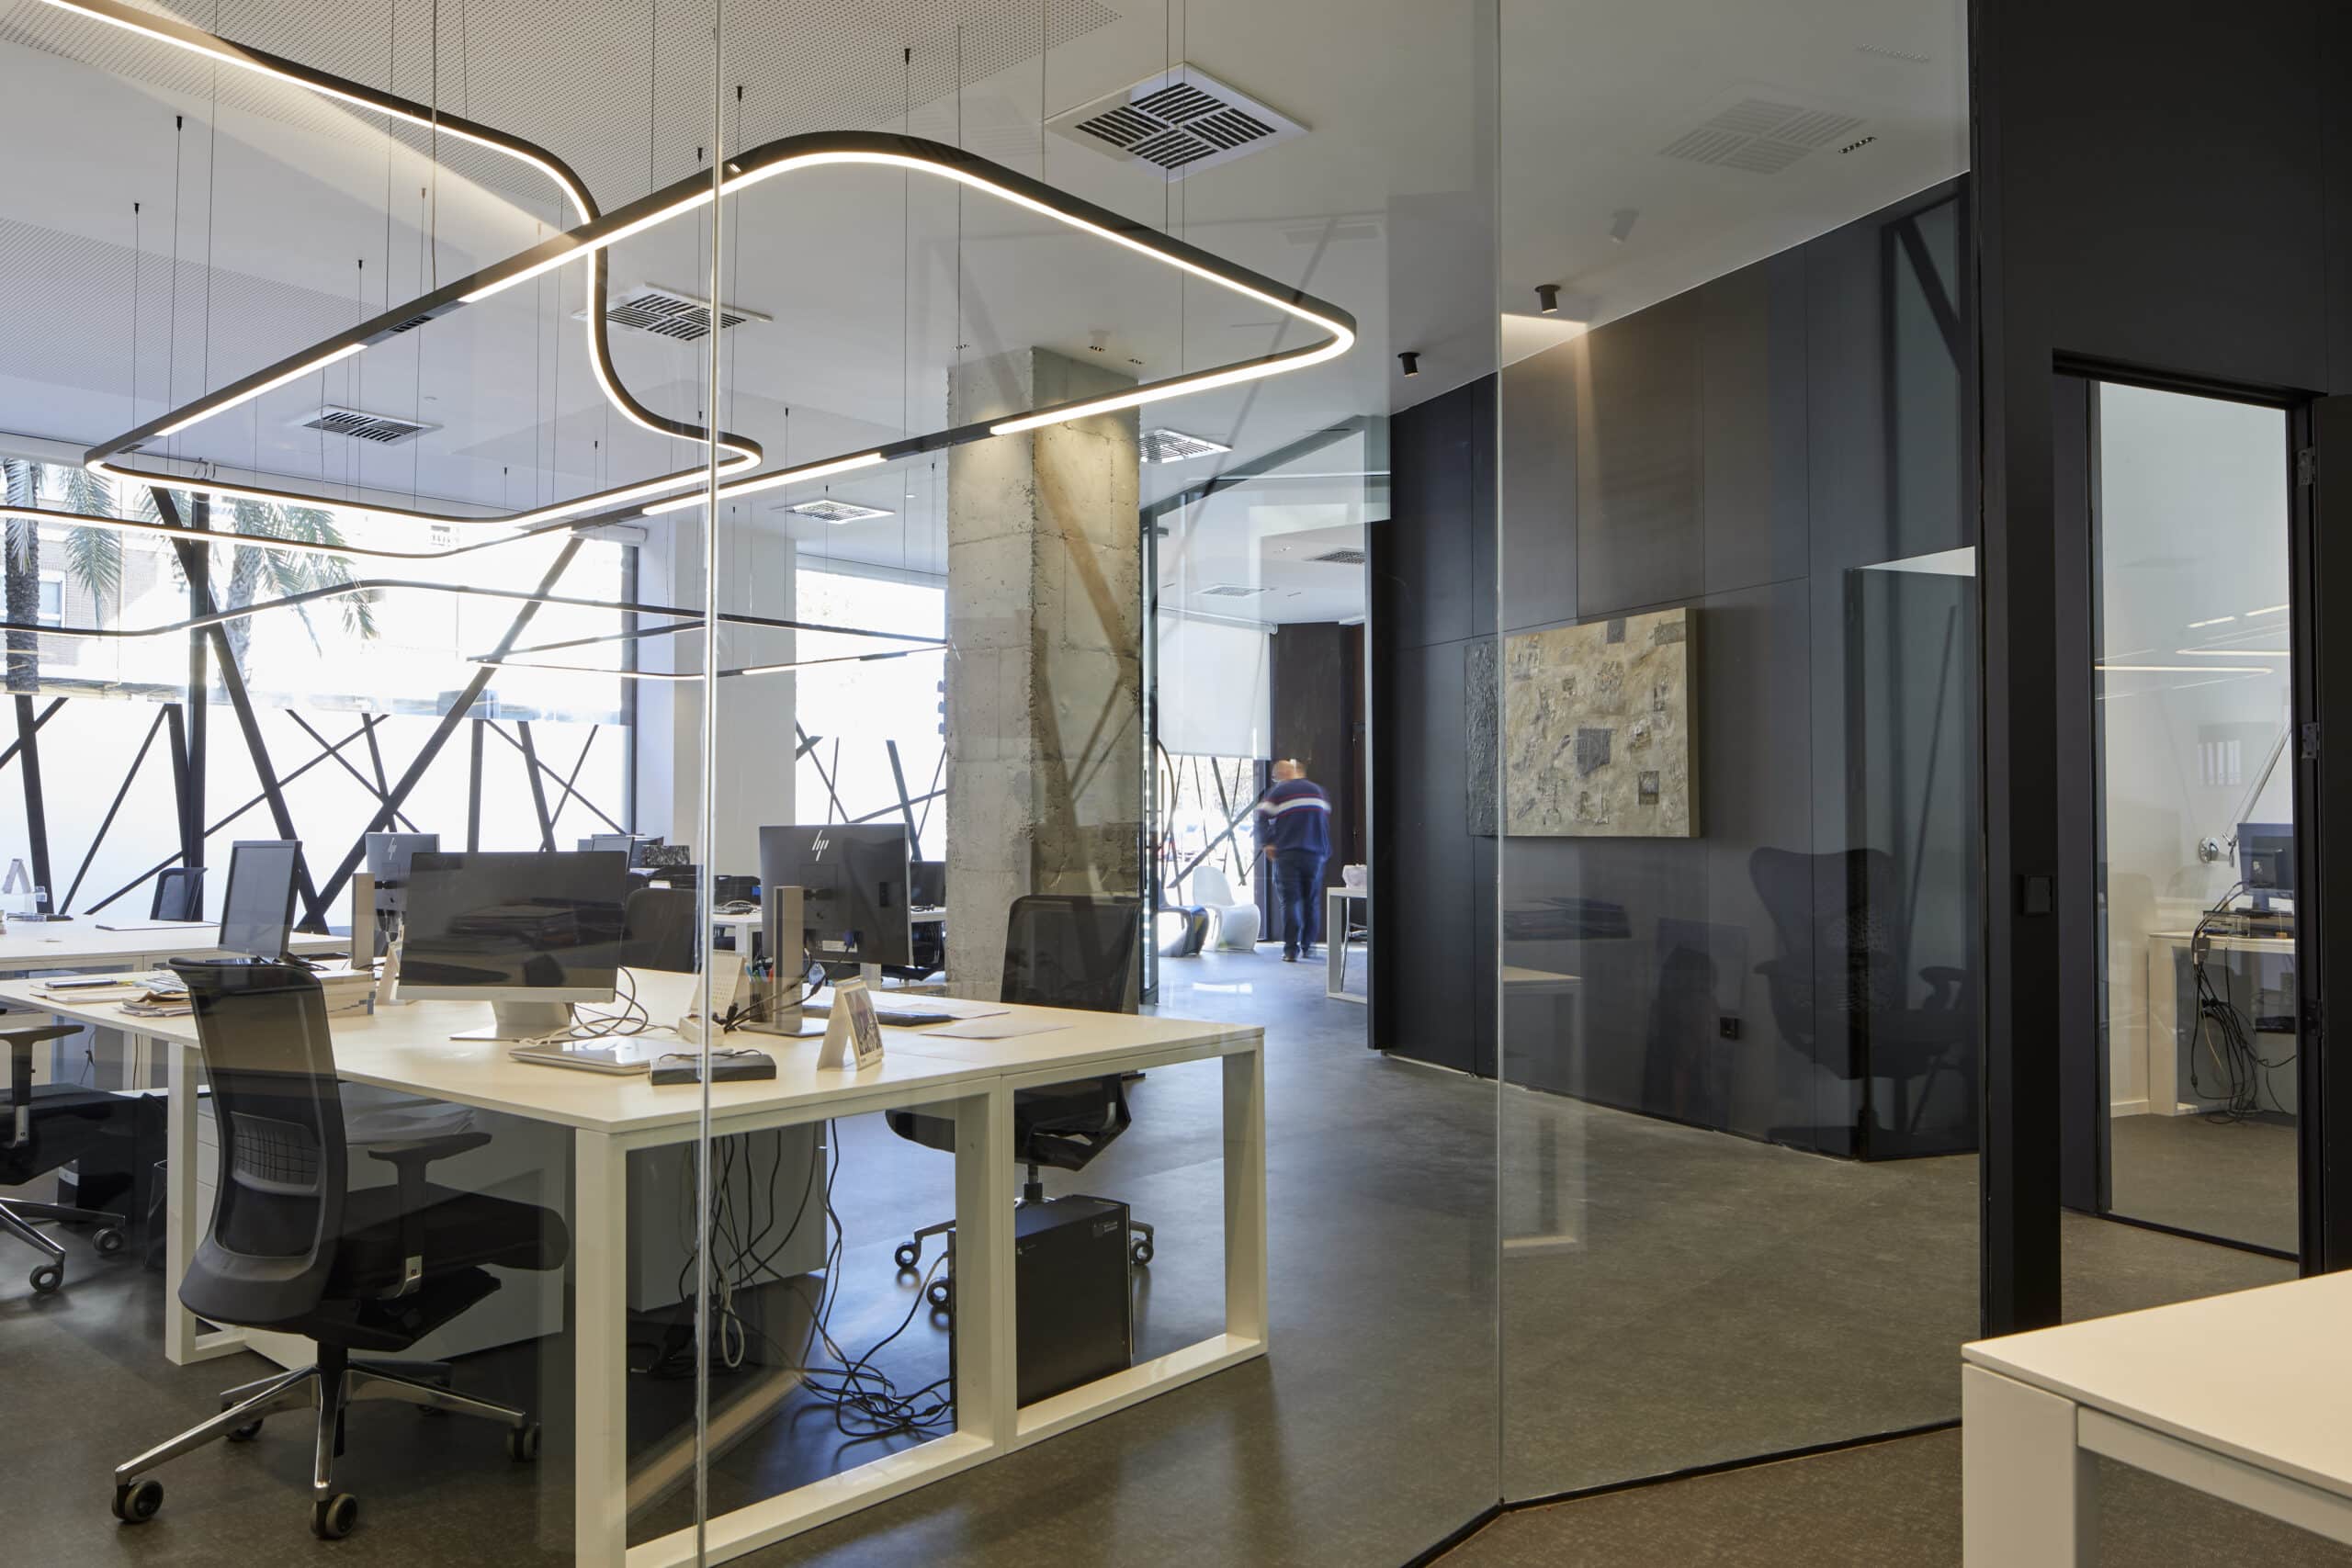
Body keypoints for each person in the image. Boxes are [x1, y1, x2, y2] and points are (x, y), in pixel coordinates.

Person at [1256, 759, 1331, 963]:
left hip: (1288, 854)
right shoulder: (1318, 792)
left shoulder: (1279, 792)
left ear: (1282, 774)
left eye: (1275, 777)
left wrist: (1267, 843)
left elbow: (1261, 817)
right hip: (1315, 855)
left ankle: (1290, 950)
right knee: (1311, 902)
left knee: (1290, 902)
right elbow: (1323, 823)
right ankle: (1308, 946)